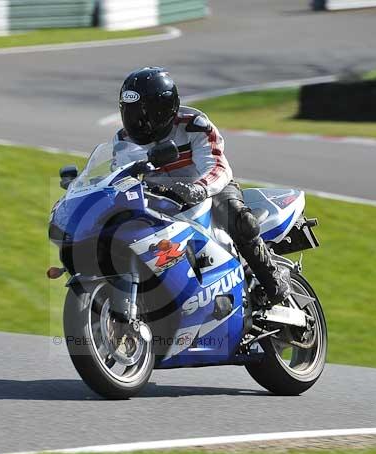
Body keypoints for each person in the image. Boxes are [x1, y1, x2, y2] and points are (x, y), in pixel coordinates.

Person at [113, 66, 291, 306]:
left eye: (145, 113)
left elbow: (217, 167)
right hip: (158, 201)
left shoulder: (194, 125)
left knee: (239, 218)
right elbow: (119, 177)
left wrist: (200, 188)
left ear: (165, 109)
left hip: (208, 191)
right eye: (131, 113)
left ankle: (273, 280)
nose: (138, 122)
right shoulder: (122, 140)